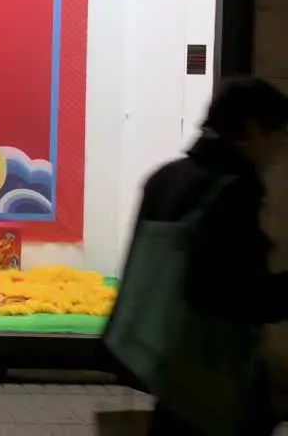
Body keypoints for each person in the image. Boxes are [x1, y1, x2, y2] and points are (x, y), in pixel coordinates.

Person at [131, 77, 288, 434]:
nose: (280, 150)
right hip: (218, 375)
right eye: (279, 135)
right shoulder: (234, 190)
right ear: (252, 130)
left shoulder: (167, 178)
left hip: (169, 367)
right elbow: (238, 296)